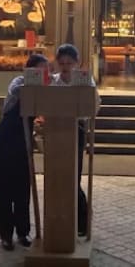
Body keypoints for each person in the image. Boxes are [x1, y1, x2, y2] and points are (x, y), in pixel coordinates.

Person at [0, 54, 49, 251]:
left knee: (22, 189)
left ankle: (23, 232)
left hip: (23, 141)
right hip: (5, 140)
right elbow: (16, 90)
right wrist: (33, 83)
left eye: (45, 69)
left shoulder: (44, 88)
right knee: (5, 190)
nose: (43, 73)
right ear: (29, 70)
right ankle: (6, 235)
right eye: (39, 68)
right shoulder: (18, 82)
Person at [50, 44, 100, 237]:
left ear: (76, 63)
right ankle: (62, 220)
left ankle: (83, 221)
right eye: (62, 63)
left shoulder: (85, 81)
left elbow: (95, 105)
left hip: (76, 129)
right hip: (55, 131)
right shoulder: (53, 81)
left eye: (69, 63)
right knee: (58, 176)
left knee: (73, 177)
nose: (65, 67)